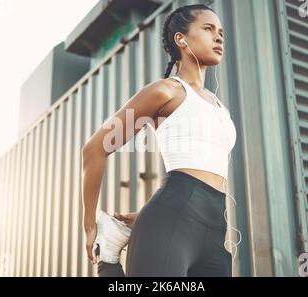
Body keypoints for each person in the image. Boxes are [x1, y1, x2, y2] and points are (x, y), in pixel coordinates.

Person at [82, 4, 238, 277]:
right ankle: (107, 255)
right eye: (208, 28)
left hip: (215, 227)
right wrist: (89, 225)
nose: (218, 37)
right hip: (171, 222)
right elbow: (95, 148)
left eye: (221, 32)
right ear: (181, 39)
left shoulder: (219, 107)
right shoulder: (166, 91)